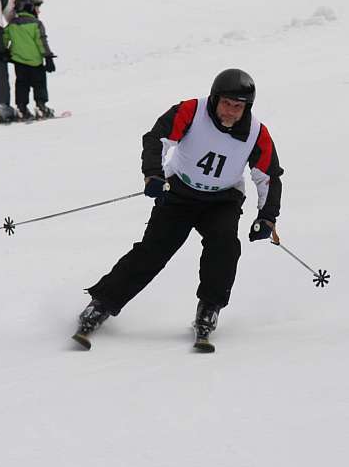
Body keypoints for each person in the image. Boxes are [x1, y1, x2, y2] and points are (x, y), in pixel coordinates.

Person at [73, 69, 284, 350]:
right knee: (153, 251)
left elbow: (268, 176)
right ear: (215, 98)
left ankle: (209, 309)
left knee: (224, 246)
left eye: (238, 106)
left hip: (222, 200)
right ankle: (101, 304)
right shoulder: (191, 111)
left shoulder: (256, 133)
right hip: (179, 193)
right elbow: (156, 138)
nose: (231, 111)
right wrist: (153, 174)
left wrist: (267, 217)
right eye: (226, 103)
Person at [3, 0, 57, 120]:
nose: (39, 11)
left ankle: (21, 107)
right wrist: (48, 57)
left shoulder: (12, 25)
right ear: (29, 7)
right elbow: (41, 41)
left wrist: (5, 51)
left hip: (19, 63)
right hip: (36, 62)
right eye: (37, 8)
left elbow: (4, 38)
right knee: (39, 84)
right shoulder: (36, 24)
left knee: (22, 84)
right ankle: (41, 106)